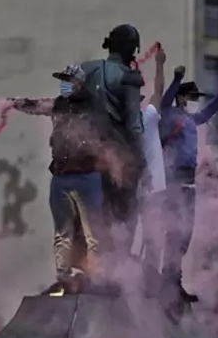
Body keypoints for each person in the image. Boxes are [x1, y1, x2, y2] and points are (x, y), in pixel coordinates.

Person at [12, 65, 107, 294]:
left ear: (79, 83)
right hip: (61, 177)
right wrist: (12, 103)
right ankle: (63, 278)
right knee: (62, 232)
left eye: (68, 79)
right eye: (63, 79)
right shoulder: (59, 105)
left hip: (87, 176)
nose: (64, 84)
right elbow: (35, 105)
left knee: (92, 232)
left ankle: (95, 278)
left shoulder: (94, 108)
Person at [158, 66, 218, 312]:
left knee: (184, 234)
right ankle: (167, 282)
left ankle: (174, 280)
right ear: (181, 98)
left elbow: (207, 114)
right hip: (174, 179)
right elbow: (165, 101)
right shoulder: (170, 115)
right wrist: (177, 78)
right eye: (190, 98)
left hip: (188, 181)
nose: (193, 103)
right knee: (174, 231)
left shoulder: (190, 120)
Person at [81, 24, 147, 257]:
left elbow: (64, 101)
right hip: (118, 152)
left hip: (84, 153)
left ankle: (93, 261)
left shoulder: (84, 69)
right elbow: (133, 123)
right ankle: (118, 261)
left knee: (93, 210)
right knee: (125, 211)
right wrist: (142, 158)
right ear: (131, 49)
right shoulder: (129, 78)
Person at [136, 43, 168, 296]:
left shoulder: (146, 117)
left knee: (151, 237)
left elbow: (158, 90)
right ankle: (142, 280)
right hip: (143, 189)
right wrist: (159, 64)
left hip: (149, 190)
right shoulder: (146, 117)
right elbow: (158, 90)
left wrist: (159, 65)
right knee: (149, 237)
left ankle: (147, 280)